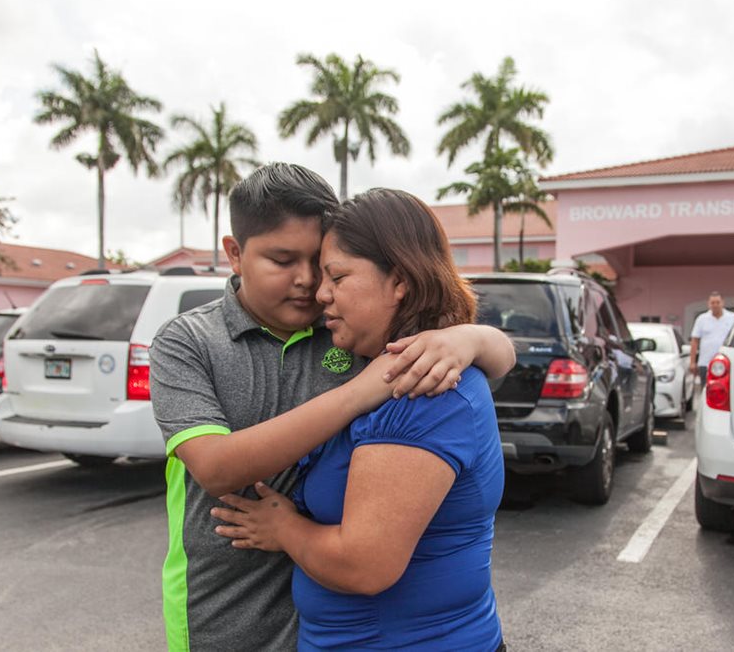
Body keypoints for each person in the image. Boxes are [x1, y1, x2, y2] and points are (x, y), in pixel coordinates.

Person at [149, 165, 515, 651]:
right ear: (235, 254)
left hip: (332, 621)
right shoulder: (189, 342)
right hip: (223, 616)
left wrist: (471, 337)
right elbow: (215, 468)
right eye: (282, 260)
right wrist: (360, 391)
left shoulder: (347, 328)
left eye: (323, 268)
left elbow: (477, 368)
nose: (308, 284)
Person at [688, 291, 734, 383]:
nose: (715, 305)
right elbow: (695, 340)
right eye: (712, 303)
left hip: (726, 363)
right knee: (705, 390)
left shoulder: (733, 318)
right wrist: (692, 362)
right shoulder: (701, 319)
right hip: (705, 363)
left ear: (722, 303)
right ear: (708, 304)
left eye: (718, 302)